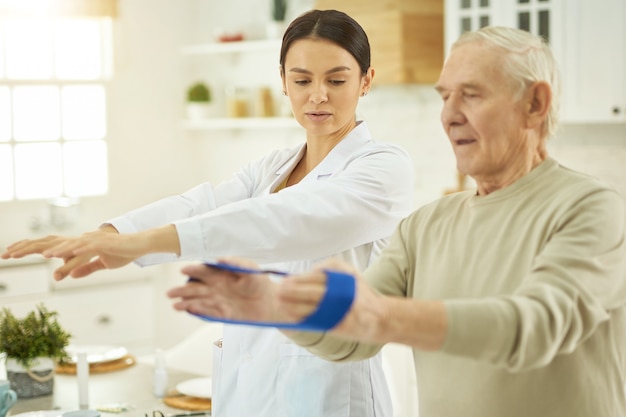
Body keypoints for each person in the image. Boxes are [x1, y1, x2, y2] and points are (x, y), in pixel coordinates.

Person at [167, 26, 626, 417]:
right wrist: (273, 305)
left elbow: (534, 327)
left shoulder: (589, 208)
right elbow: (350, 342)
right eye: (445, 96)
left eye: (472, 95)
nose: (449, 115)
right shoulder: (427, 225)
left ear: (535, 104)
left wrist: (380, 315)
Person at [1, 9, 414, 417]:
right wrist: (112, 233)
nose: (317, 95)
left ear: (366, 81)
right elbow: (204, 204)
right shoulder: (273, 166)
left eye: (336, 80)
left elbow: (282, 219)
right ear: (283, 83)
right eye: (302, 80)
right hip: (247, 389)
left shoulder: (383, 167)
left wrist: (137, 243)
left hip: (330, 392)